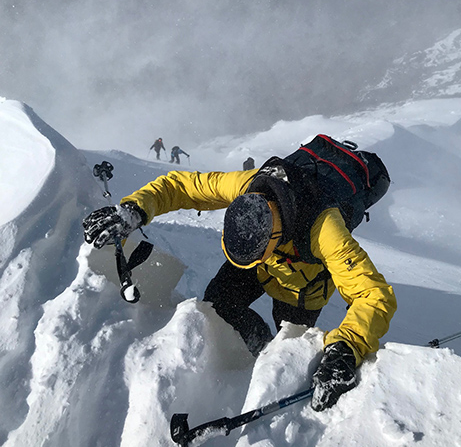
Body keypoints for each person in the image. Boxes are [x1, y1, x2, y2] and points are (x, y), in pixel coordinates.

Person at [82, 162, 396, 412]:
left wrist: (348, 346)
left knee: (291, 350)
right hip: (257, 265)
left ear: (274, 238)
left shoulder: (325, 229)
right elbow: (180, 186)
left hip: (303, 289)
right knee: (217, 306)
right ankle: (254, 354)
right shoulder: (249, 186)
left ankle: (271, 362)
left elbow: (372, 293)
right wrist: (132, 210)